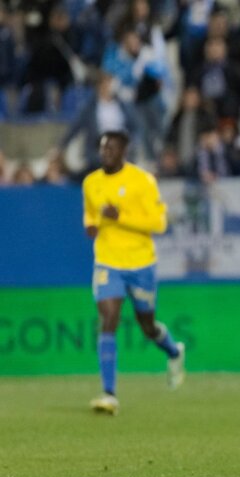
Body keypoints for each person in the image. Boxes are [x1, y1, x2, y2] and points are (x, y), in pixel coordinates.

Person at [82, 131, 186, 416]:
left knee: (147, 325)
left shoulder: (143, 181)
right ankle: (109, 393)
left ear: (124, 151)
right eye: (103, 148)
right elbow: (91, 216)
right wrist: (91, 226)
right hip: (108, 261)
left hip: (141, 264)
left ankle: (174, 352)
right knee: (109, 318)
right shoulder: (91, 183)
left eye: (111, 149)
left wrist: (121, 218)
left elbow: (159, 223)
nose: (106, 153)